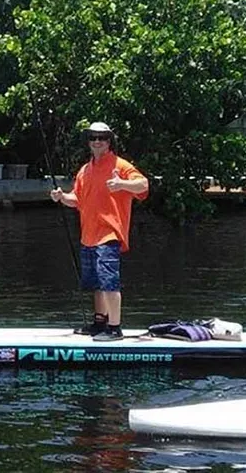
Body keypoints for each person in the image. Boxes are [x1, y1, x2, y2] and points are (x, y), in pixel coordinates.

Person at [49, 122, 149, 342]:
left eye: (102, 137)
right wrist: (62, 197)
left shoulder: (120, 165)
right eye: (93, 137)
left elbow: (143, 185)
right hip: (89, 235)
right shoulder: (84, 170)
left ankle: (115, 328)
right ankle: (99, 322)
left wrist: (122, 184)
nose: (97, 141)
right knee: (95, 283)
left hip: (109, 233)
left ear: (109, 140)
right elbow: (77, 199)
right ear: (88, 141)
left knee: (109, 281)